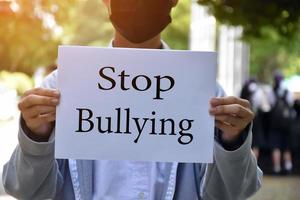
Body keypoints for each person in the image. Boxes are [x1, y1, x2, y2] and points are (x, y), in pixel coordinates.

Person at [2, 0, 262, 199]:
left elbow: (234, 192)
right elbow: (24, 190)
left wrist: (232, 142)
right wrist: (36, 138)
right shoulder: (61, 87)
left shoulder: (204, 91)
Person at [268, 72, 294, 174]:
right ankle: (288, 166)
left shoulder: (272, 91)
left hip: (274, 123)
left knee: (276, 145)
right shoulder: (287, 91)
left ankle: (277, 167)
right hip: (286, 123)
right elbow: (291, 103)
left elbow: (270, 104)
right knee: (287, 146)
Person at [240, 79, 271, 160]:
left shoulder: (243, 89)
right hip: (255, 118)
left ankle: (245, 163)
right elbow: (265, 107)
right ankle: (254, 163)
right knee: (255, 142)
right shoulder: (258, 91)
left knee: (245, 141)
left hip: (243, 118)